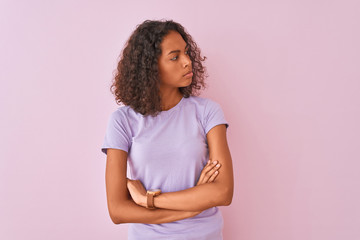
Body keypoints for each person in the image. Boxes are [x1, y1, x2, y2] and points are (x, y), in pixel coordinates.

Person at [101, 19, 234, 240]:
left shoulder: (207, 112)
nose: (187, 62)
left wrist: (148, 200)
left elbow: (223, 192)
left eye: (186, 52)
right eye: (175, 57)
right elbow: (117, 210)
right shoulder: (122, 121)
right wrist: (192, 206)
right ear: (151, 67)